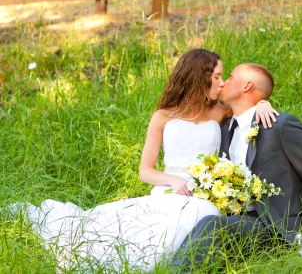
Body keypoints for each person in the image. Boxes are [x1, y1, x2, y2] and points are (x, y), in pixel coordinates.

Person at [6, 50, 278, 272]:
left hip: (205, 194)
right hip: (169, 188)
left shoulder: (219, 112)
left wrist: (263, 105)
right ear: (199, 76)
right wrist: (172, 179)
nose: (221, 83)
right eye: (217, 76)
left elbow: (249, 104)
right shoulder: (163, 116)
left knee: (197, 217)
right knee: (117, 228)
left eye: (223, 76)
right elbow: (145, 170)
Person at [173, 63, 302, 271]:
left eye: (231, 77)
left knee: (211, 225)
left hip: (275, 226)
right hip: (239, 219)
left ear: (247, 86)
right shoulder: (224, 129)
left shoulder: (279, 126)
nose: (223, 83)